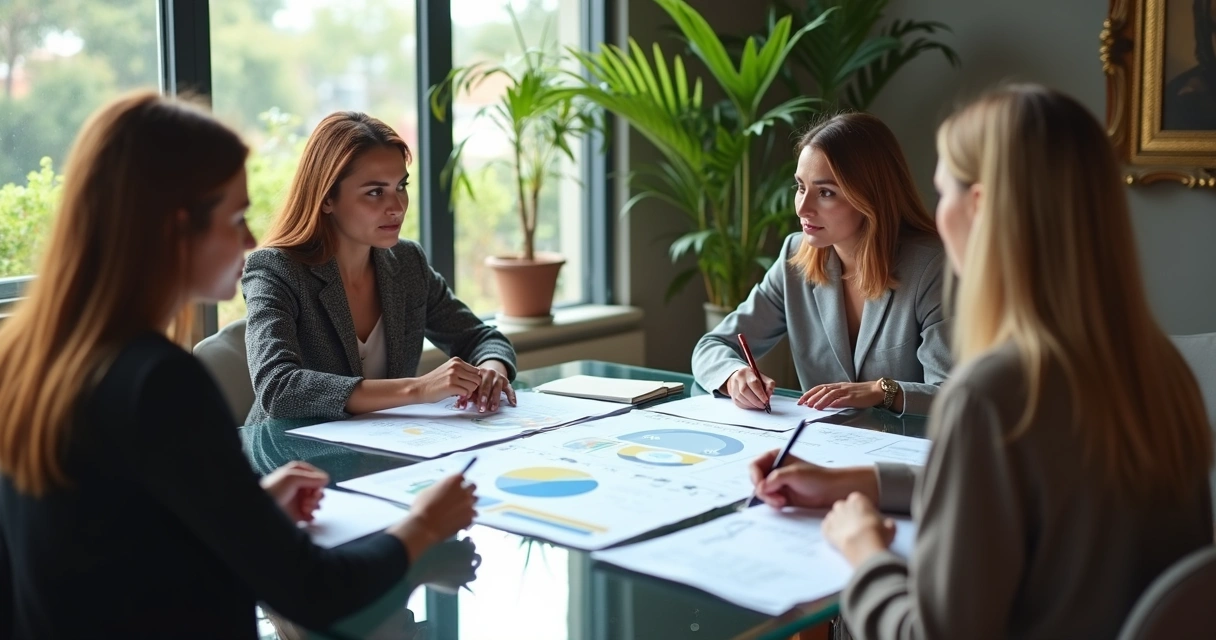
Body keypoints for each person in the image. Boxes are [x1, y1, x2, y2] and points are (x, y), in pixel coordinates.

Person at [0, 92, 477, 639]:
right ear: (176, 228)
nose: (251, 240)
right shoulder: (161, 382)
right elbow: (316, 593)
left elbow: (107, 552)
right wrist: (422, 527)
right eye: (236, 217)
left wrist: (245, 513)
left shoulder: (33, 359)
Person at [752, 85, 1214, 639]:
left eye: (942, 190)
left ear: (978, 207)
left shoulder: (995, 393)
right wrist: (862, 482)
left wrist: (865, 550)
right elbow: (1016, 496)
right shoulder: (1156, 367)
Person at [243, 111, 517, 425]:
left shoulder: (407, 262)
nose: (397, 207)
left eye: (401, 186)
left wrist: (491, 373)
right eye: (375, 192)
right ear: (327, 198)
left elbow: (481, 338)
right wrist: (418, 389)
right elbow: (279, 388)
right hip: (292, 459)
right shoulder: (275, 269)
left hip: (385, 452)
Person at [691, 113, 950, 416]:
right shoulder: (795, 257)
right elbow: (712, 346)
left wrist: (882, 391)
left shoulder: (933, 268)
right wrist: (734, 376)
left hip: (908, 454)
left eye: (825, 193)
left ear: (871, 197)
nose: (802, 207)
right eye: (800, 187)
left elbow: (955, 397)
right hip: (820, 449)